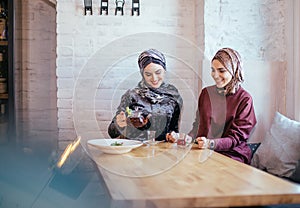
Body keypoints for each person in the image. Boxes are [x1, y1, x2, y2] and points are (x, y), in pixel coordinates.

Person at [167, 47, 257, 164]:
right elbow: (197, 129)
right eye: (213, 70)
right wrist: (181, 139)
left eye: (221, 70)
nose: (215, 75)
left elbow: (236, 139)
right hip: (203, 151)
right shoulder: (206, 94)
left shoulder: (244, 99)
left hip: (232, 155)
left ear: (234, 70)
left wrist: (210, 143)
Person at [108, 49, 183, 141]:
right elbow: (112, 132)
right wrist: (118, 124)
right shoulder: (132, 95)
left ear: (165, 70)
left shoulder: (173, 96)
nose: (154, 78)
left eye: (158, 72)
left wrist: (172, 136)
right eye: (148, 74)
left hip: (161, 150)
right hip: (135, 150)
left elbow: (174, 129)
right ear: (142, 74)